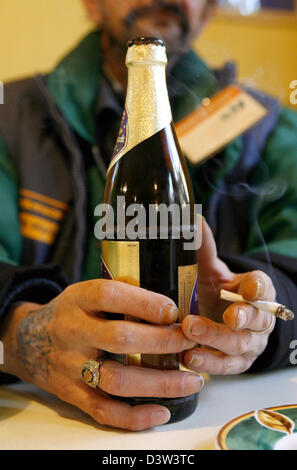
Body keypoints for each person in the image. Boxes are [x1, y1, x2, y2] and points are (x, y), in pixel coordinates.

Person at [0, 0, 296, 432]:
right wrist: (18, 331)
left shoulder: (269, 129)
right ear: (92, 4)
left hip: (206, 428)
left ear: (210, 10)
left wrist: (259, 316)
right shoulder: (10, 118)